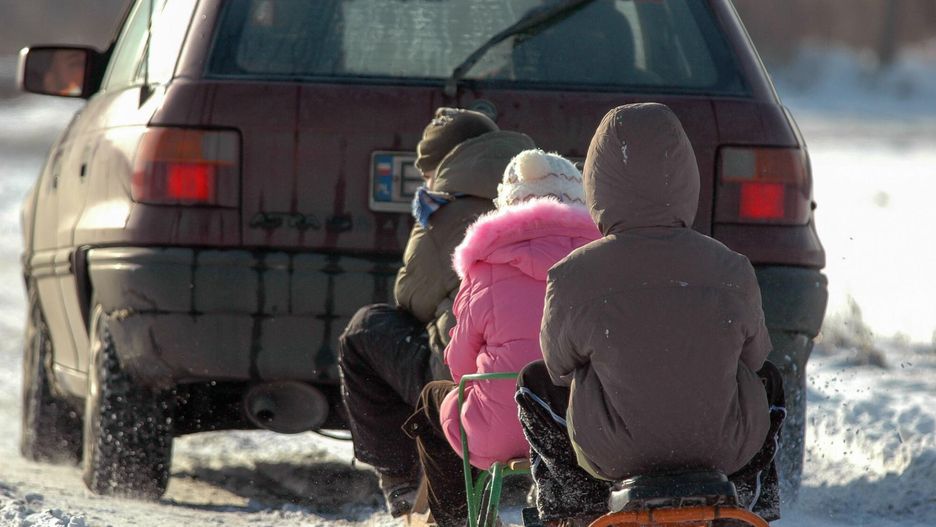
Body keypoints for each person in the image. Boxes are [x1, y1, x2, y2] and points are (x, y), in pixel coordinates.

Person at [515, 103, 786, 525]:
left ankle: (575, 507)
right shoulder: (731, 266)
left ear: (597, 182)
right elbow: (753, 359)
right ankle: (753, 499)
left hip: (616, 452)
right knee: (770, 379)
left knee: (532, 383)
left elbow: (557, 367)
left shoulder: (573, 275)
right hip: (721, 448)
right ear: (684, 177)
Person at [338, 107, 536, 518]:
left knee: (365, 332)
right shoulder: (551, 202)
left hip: (480, 393)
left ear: (441, 165)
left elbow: (411, 296)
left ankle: (401, 478)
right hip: (556, 394)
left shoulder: (446, 208)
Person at [402, 150, 601, 527]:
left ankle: (457, 519)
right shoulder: (602, 260)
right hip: (588, 427)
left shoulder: (487, 267)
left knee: (436, 400)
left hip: (506, 427)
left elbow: (459, 365)